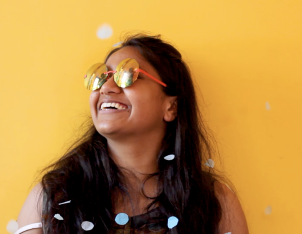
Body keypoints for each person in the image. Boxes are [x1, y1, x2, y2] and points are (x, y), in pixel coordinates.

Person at [16, 34, 249, 234]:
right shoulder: (51, 198)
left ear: (171, 107)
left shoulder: (215, 201)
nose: (107, 88)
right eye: (101, 77)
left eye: (128, 74)